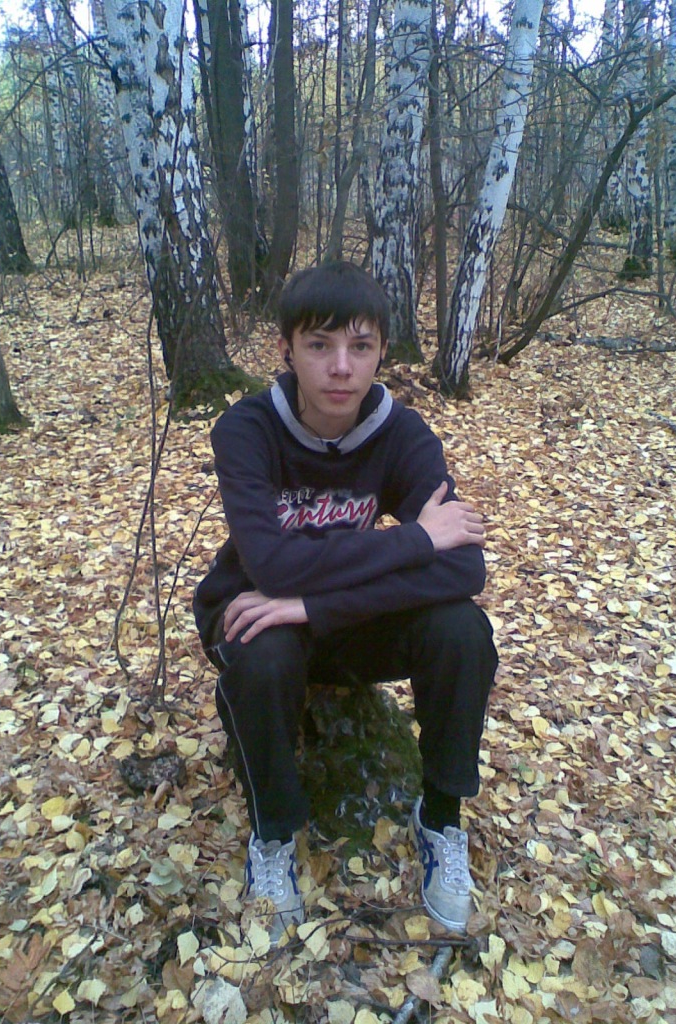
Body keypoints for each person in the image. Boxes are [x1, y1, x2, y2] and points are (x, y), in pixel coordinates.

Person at [193, 261, 498, 941]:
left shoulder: (403, 435)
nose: (340, 367)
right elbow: (269, 565)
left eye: (360, 346)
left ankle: (440, 817)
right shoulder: (247, 430)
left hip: (333, 621)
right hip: (253, 612)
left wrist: (312, 606)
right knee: (263, 652)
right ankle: (273, 835)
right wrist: (414, 539)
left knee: (461, 629)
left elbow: (464, 565)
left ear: (382, 351)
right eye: (319, 345)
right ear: (285, 350)